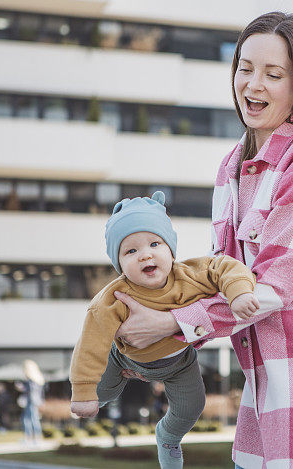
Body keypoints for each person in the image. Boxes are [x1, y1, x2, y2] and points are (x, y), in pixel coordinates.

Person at [113, 12, 293, 468]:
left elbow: (267, 289)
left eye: (273, 74)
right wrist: (155, 329)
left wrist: (170, 323)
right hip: (265, 374)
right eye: (245, 68)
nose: (253, 84)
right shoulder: (232, 166)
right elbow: (220, 275)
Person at [69, 191, 259, 469]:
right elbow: (90, 344)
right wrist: (83, 392)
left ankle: (168, 436)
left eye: (155, 243)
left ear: (170, 249)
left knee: (192, 407)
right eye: (130, 251)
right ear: (119, 263)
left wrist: (239, 292)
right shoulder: (112, 298)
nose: (145, 254)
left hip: (179, 363)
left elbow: (226, 267)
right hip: (122, 359)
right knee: (98, 397)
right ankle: (101, 395)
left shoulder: (190, 275)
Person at [16, 359, 45, 445]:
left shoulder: (31, 380)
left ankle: (30, 438)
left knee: (29, 419)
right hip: (35, 401)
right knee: (33, 419)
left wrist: (22, 388)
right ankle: (35, 438)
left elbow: (30, 391)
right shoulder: (38, 379)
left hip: (31, 401)